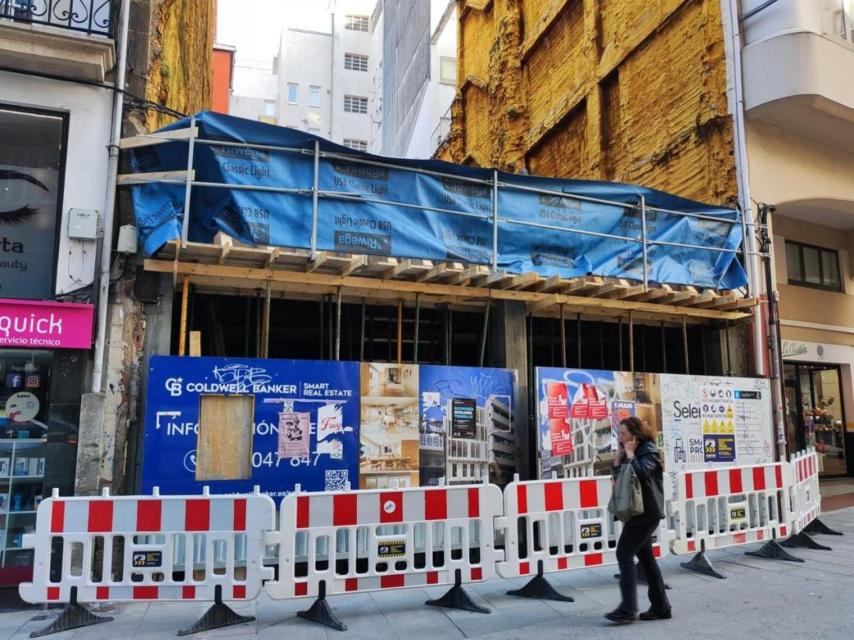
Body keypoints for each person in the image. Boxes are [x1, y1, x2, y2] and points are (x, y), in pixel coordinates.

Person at [606, 416, 671, 624]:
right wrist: (618, 460)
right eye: (619, 434)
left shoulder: (649, 451)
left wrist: (631, 455)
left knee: (623, 552)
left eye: (623, 433)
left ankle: (628, 609)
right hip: (638, 512)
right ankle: (661, 607)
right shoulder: (629, 453)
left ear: (635, 435)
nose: (620, 437)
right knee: (646, 559)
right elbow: (622, 479)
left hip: (647, 513)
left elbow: (642, 474)